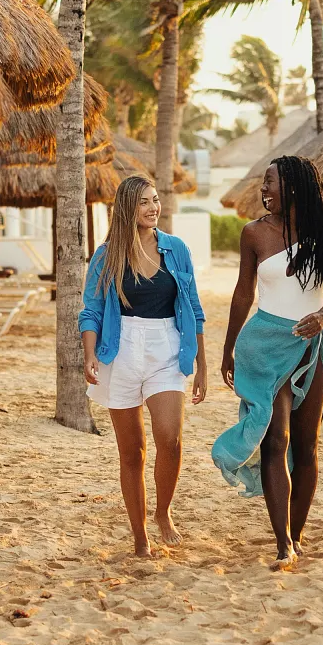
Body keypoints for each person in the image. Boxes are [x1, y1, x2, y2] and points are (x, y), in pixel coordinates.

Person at [212, 155, 323, 570]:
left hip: (310, 344)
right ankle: (283, 543)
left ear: (293, 186)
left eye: (270, 182)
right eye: (263, 183)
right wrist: (228, 349)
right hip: (264, 345)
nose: (263, 190)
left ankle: (297, 534)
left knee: (307, 446)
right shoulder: (254, 233)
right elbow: (242, 293)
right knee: (276, 440)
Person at [78, 175, 208, 556]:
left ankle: (163, 511)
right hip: (120, 351)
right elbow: (91, 310)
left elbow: (194, 309)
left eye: (155, 200)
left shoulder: (176, 249)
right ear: (127, 209)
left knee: (170, 440)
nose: (153, 208)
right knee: (132, 451)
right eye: (144, 202)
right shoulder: (106, 256)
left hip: (166, 347)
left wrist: (201, 363)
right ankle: (139, 535)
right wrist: (89, 354)